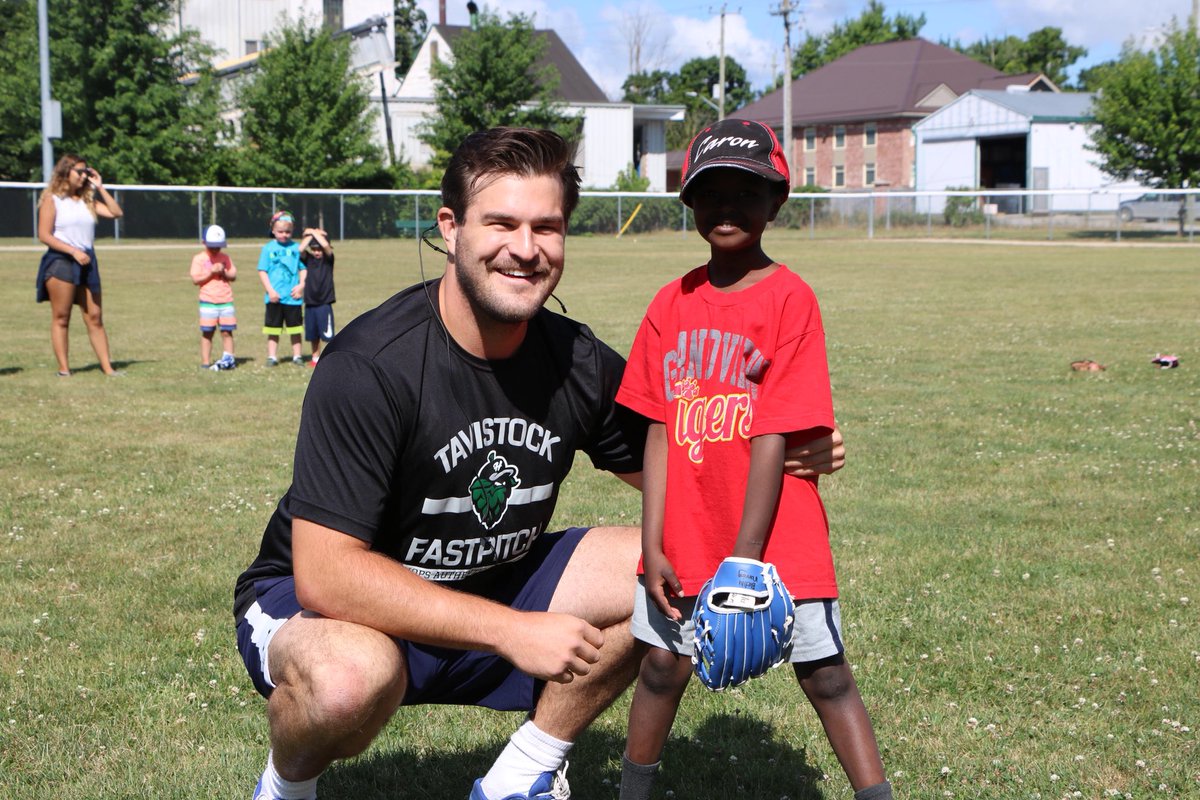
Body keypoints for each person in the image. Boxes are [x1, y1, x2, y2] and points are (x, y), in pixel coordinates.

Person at [233, 127, 846, 800]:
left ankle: (521, 776)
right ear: (451, 228)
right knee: (348, 681)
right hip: (331, 610)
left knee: (672, 556)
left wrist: (783, 449)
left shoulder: (575, 362)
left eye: (546, 228)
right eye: (501, 222)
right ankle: (286, 787)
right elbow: (325, 574)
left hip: (493, 579)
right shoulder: (371, 365)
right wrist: (512, 630)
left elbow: (684, 472)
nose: (525, 250)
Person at [614, 119, 891, 800]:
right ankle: (631, 790)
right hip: (686, 527)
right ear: (690, 203)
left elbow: (774, 431)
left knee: (825, 673)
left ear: (776, 202)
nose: (727, 207)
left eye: (747, 191)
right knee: (659, 668)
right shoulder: (669, 304)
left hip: (777, 538)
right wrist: (652, 545)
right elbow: (656, 428)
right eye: (712, 192)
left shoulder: (789, 298)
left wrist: (744, 560)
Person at [35, 154, 125, 377]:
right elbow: (44, 235)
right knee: (62, 317)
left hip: (87, 260)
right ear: (66, 172)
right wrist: (72, 251)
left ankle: (108, 369)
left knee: (94, 317)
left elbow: (116, 213)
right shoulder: (52, 199)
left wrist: (100, 187)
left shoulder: (89, 201)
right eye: (80, 171)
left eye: (87, 171)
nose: (84, 176)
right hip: (61, 261)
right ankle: (64, 370)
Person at [257, 211, 306, 366]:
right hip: (274, 297)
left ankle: (297, 356)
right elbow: (262, 271)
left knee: (295, 329)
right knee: (273, 330)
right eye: (280, 232)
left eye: (288, 232)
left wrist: (301, 286)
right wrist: (270, 291)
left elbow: (304, 268)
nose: (284, 235)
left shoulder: (297, 248)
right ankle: (272, 356)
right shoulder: (268, 249)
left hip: (293, 298)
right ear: (273, 230)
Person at [190, 224, 239, 371]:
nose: (216, 249)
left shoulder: (225, 258)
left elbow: (233, 275)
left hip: (225, 300)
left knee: (227, 331)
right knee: (207, 332)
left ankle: (229, 359)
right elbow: (195, 279)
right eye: (212, 246)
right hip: (208, 301)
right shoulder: (199, 259)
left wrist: (223, 272)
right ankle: (205, 362)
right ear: (204, 243)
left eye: (218, 246)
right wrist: (211, 273)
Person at [298, 227, 335, 367]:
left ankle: (330, 357)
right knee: (313, 335)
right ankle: (315, 358)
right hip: (310, 303)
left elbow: (325, 245)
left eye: (319, 249)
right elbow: (301, 249)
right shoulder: (308, 259)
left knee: (327, 335)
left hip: (324, 303)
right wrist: (312, 233)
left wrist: (312, 232)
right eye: (314, 249)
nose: (317, 252)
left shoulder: (328, 260)